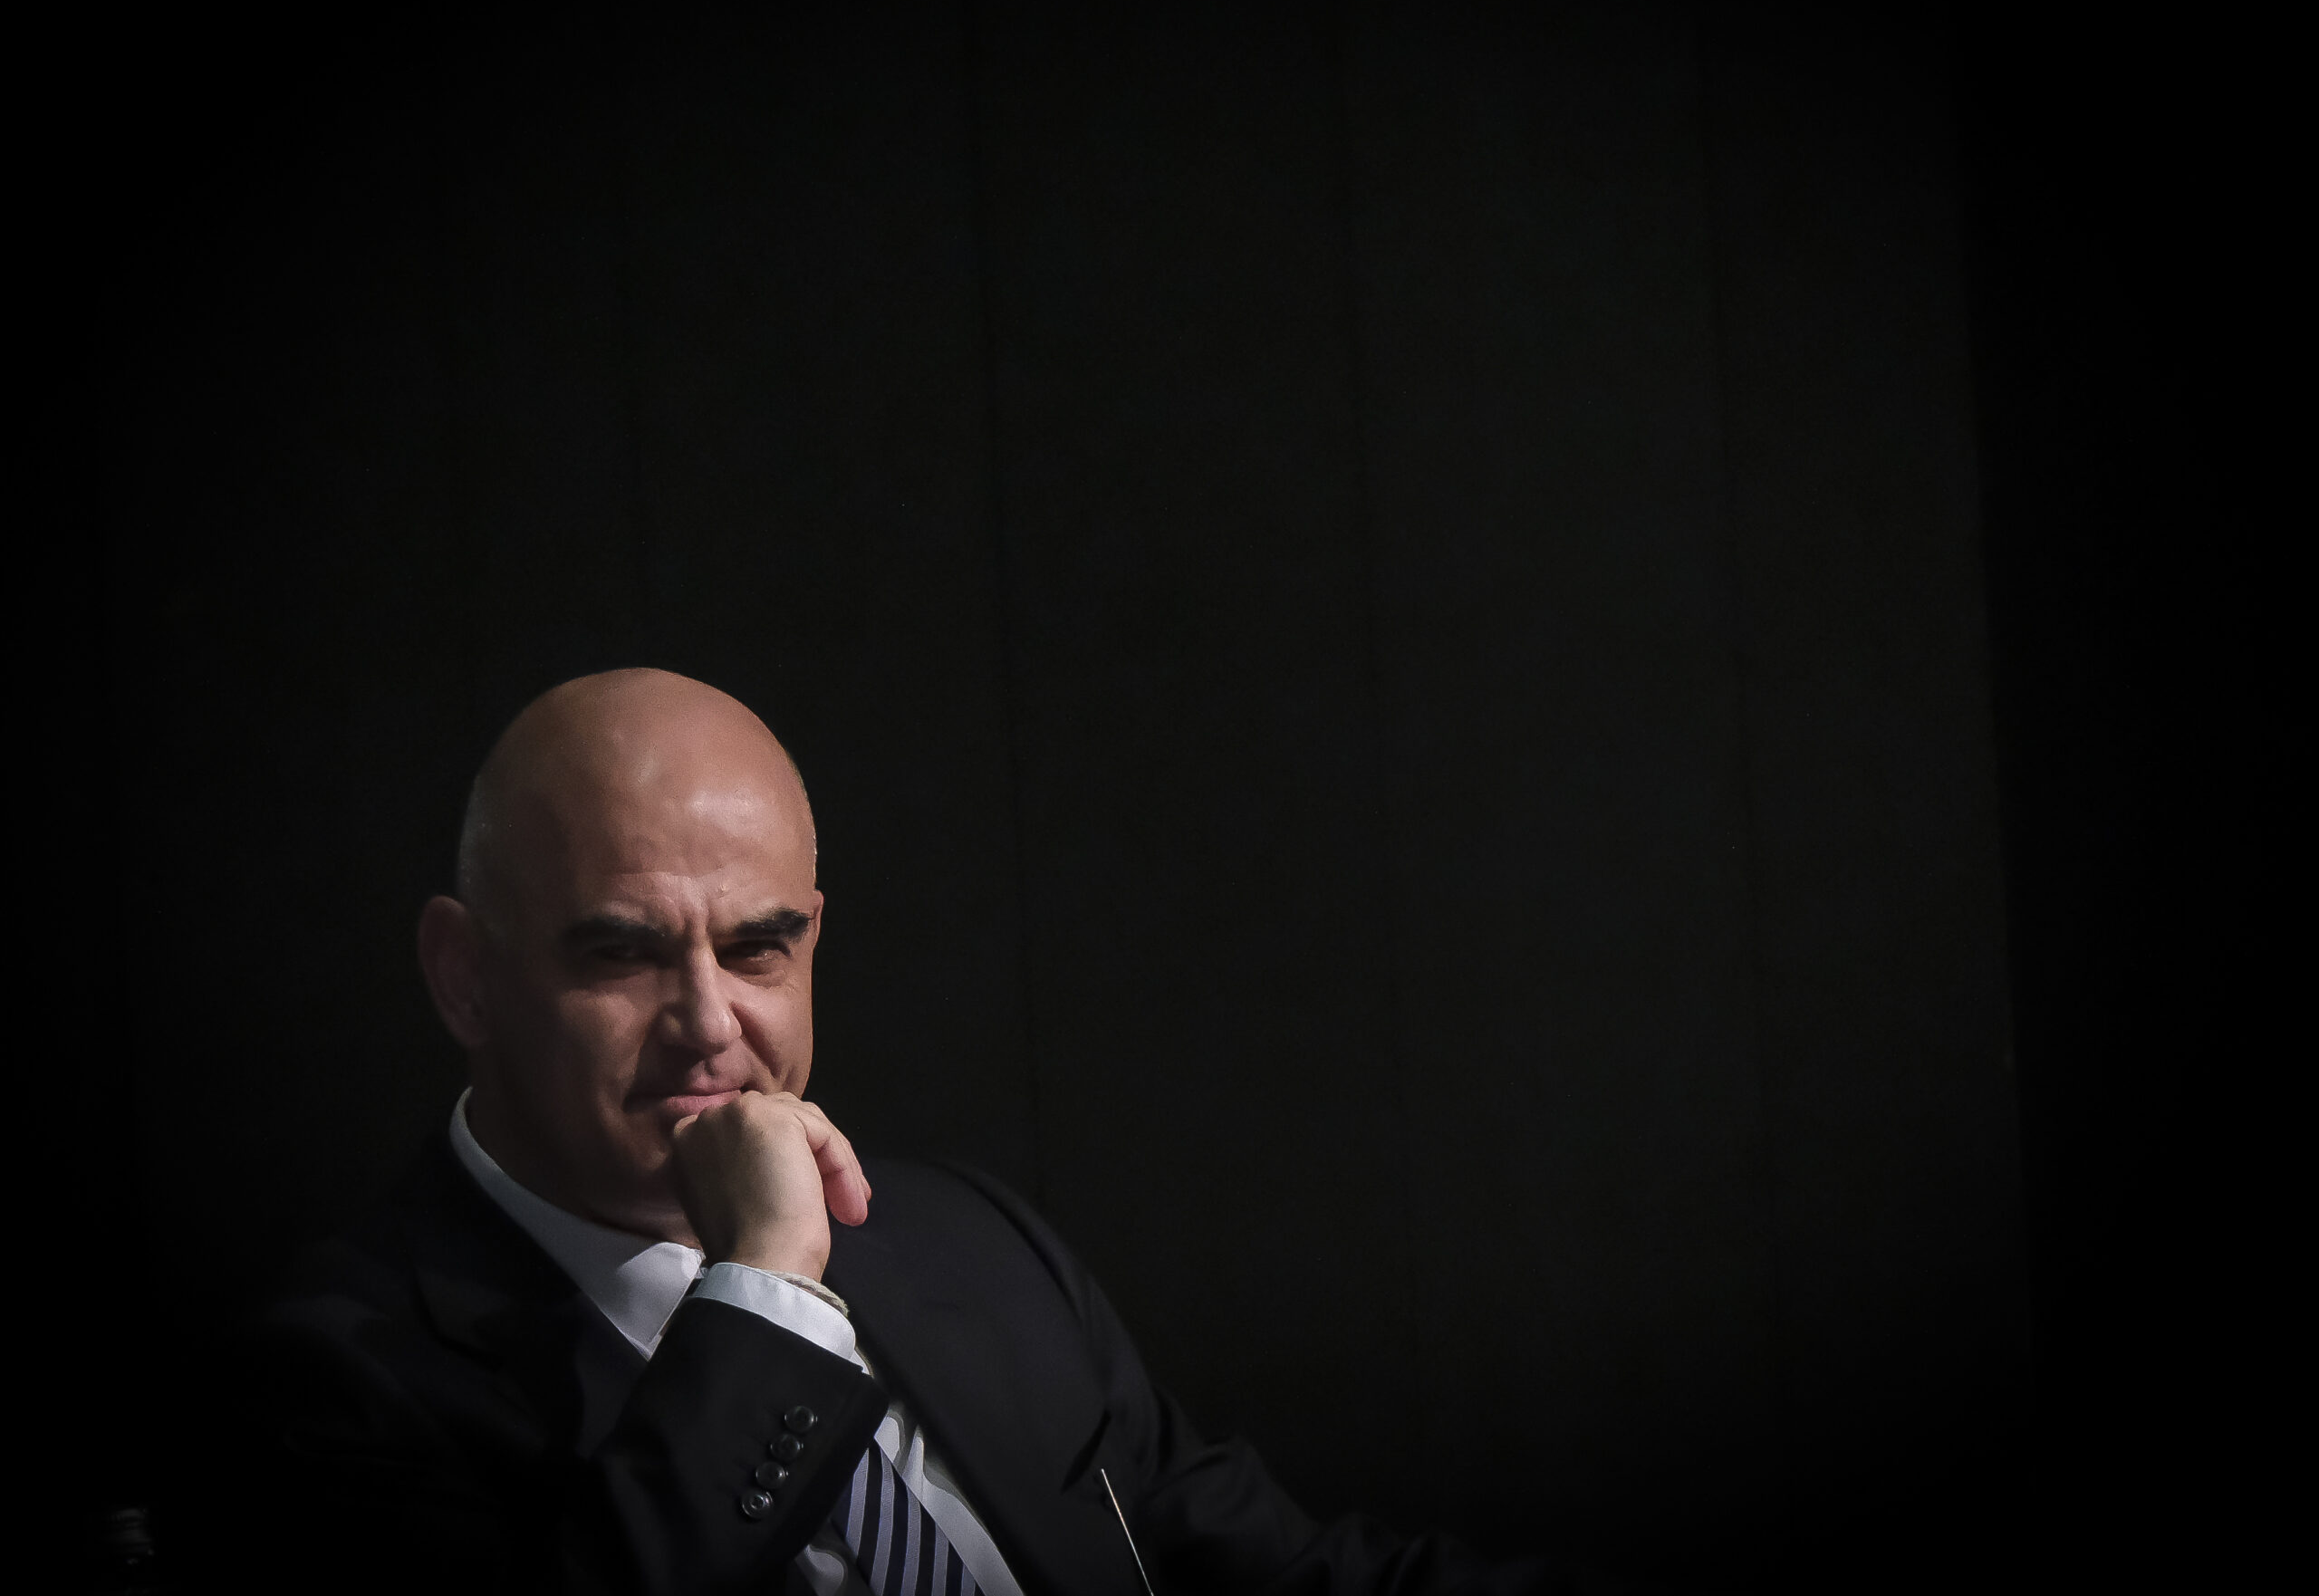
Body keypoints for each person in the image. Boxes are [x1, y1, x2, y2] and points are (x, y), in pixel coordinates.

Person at [245, 669, 1582, 1594]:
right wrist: (765, 1289)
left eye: (758, 947)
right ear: (464, 977)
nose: (708, 1022)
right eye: (623, 954)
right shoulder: (341, 1382)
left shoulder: (971, 1241)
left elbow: (1282, 1575)